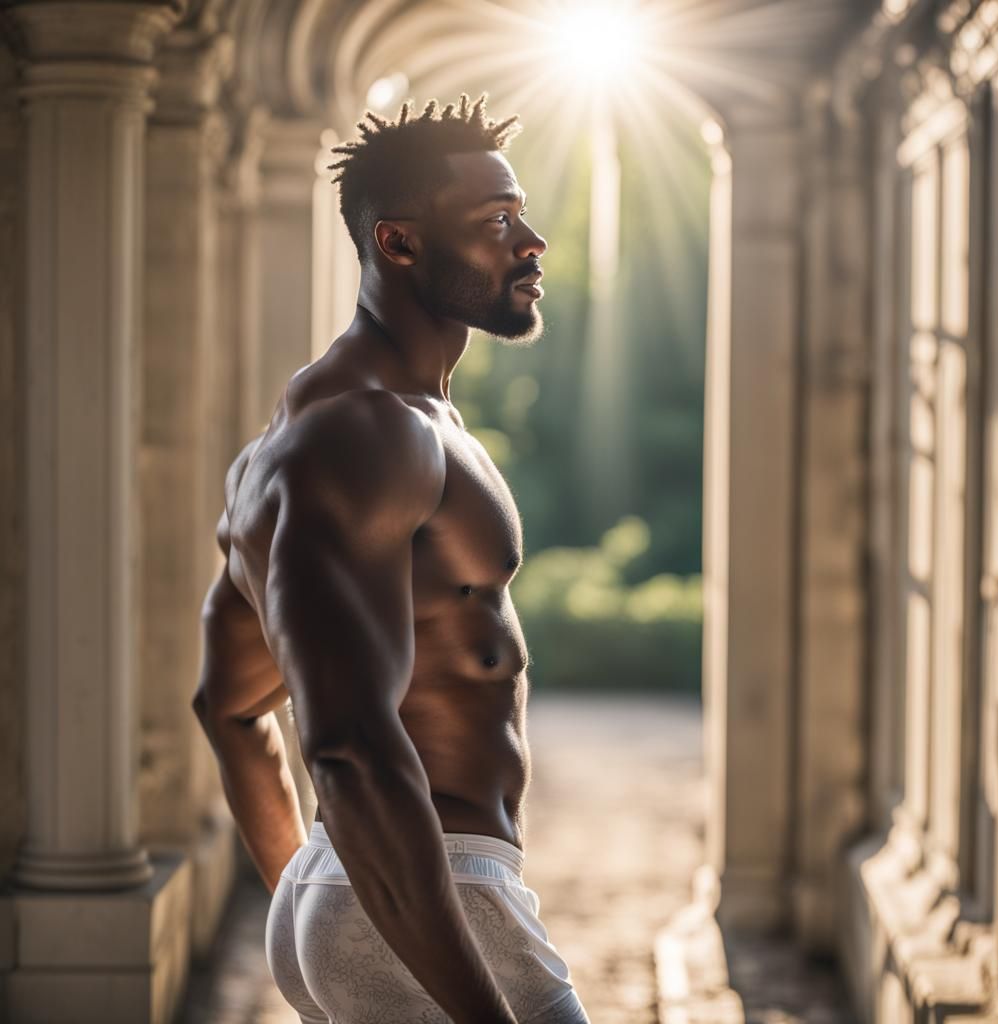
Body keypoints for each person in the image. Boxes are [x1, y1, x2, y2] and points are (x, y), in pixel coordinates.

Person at [191, 92, 592, 1024]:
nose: (531, 242)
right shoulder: (366, 436)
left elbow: (230, 703)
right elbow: (348, 745)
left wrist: (315, 886)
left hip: (371, 896)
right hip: (438, 890)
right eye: (496, 223)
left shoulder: (334, 430)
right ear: (399, 244)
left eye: (521, 214)